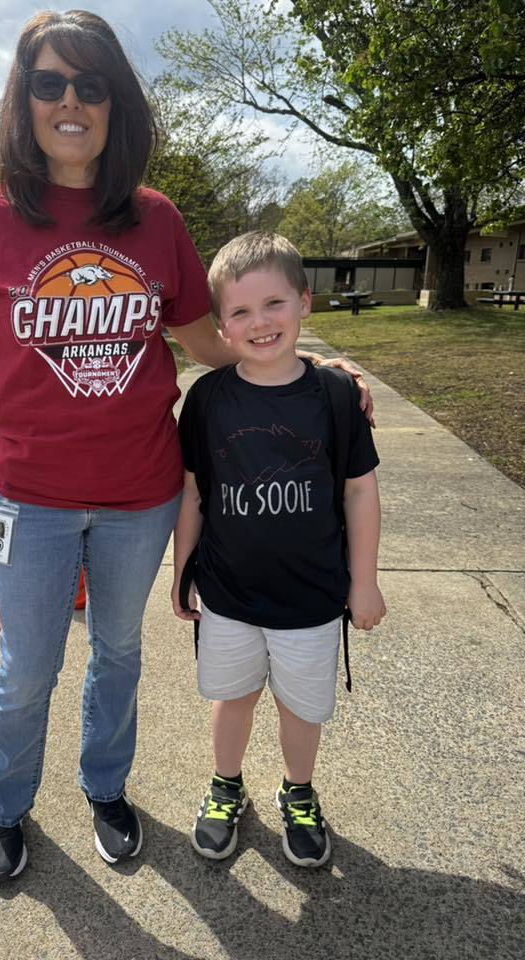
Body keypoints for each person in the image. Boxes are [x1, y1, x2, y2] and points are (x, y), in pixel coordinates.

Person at [0, 10, 372, 884]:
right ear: (23, 100)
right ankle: (5, 808)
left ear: (115, 104)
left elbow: (204, 342)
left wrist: (307, 367)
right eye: (50, 83)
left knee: (120, 653)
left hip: (141, 491)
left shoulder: (154, 220)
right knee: (26, 666)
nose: (71, 101)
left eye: (90, 84)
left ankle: (106, 789)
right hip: (30, 493)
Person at [172, 232, 385, 867]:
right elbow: (192, 495)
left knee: (300, 706)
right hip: (230, 593)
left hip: (313, 596)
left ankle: (298, 792)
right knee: (232, 697)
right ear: (220, 325)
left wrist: (364, 581)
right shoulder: (207, 400)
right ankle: (225, 786)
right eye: (240, 311)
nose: (259, 322)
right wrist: (182, 573)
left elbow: (359, 492)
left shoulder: (335, 396)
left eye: (274, 304)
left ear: (305, 303)